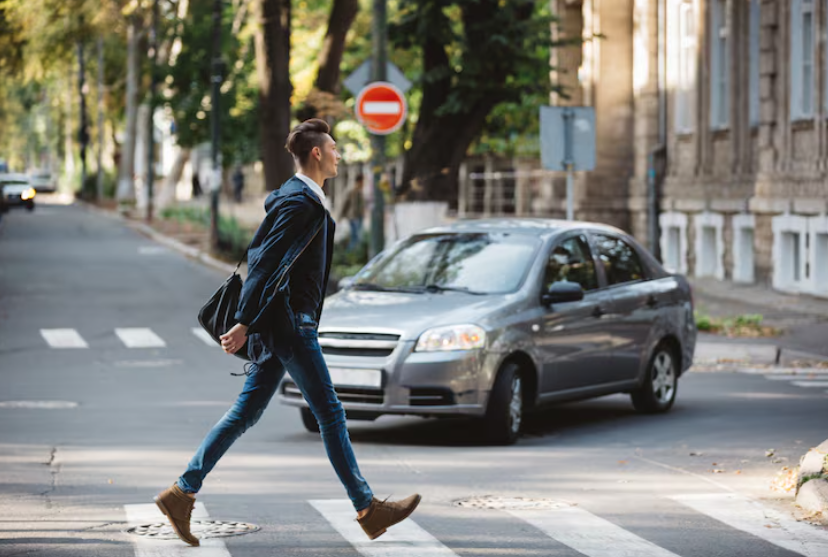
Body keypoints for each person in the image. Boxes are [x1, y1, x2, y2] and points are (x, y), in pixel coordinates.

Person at [153, 119, 421, 546]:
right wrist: (243, 321)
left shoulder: (302, 198)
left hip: (282, 325)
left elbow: (273, 259)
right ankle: (367, 508)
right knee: (330, 413)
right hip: (291, 325)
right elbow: (265, 263)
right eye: (333, 147)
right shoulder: (300, 203)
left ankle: (181, 492)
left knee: (246, 413)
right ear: (317, 153)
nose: (337, 154)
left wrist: (252, 321)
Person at [339, 174, 365, 251]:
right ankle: (349, 253)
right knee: (355, 236)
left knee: (358, 236)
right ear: (359, 181)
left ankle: (355, 253)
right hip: (353, 217)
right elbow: (345, 204)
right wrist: (340, 216)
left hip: (359, 216)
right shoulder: (352, 191)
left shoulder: (360, 191)